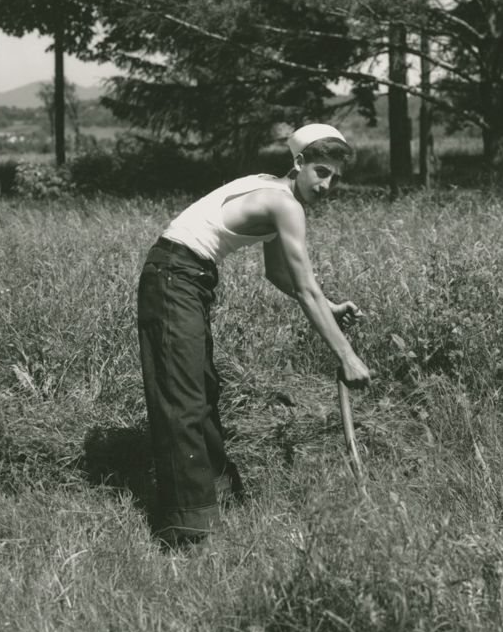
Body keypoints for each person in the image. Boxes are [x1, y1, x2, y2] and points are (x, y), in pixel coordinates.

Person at [136, 123, 372, 547]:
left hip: (186, 276)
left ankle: (218, 500)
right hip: (173, 275)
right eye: (321, 171)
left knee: (202, 391)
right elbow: (304, 287)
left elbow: (278, 272)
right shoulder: (285, 206)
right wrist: (347, 355)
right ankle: (188, 531)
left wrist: (331, 308)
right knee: (182, 399)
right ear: (298, 163)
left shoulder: (274, 189)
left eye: (335, 176)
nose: (327, 184)